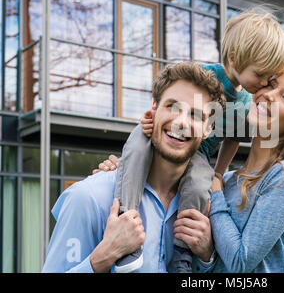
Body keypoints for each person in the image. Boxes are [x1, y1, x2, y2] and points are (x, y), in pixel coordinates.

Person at [97, 64, 284, 272]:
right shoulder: (229, 180)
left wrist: (217, 192)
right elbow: (215, 266)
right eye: (271, 84)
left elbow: (240, 261)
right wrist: (205, 252)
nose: (270, 95)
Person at [111, 8, 284, 272]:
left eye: (269, 77)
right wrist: (150, 118)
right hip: (164, 135)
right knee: (136, 151)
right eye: (260, 74)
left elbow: (232, 139)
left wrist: (218, 171)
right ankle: (125, 216)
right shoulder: (201, 75)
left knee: (198, 185)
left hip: (198, 155)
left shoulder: (244, 102)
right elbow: (167, 103)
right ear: (234, 58)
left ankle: (182, 253)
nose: (264, 82)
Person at [42, 62, 225, 273]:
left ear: (208, 129)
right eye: (172, 107)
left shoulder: (208, 212)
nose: (181, 122)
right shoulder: (87, 197)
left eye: (195, 115)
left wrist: (206, 256)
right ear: (154, 109)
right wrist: (102, 258)